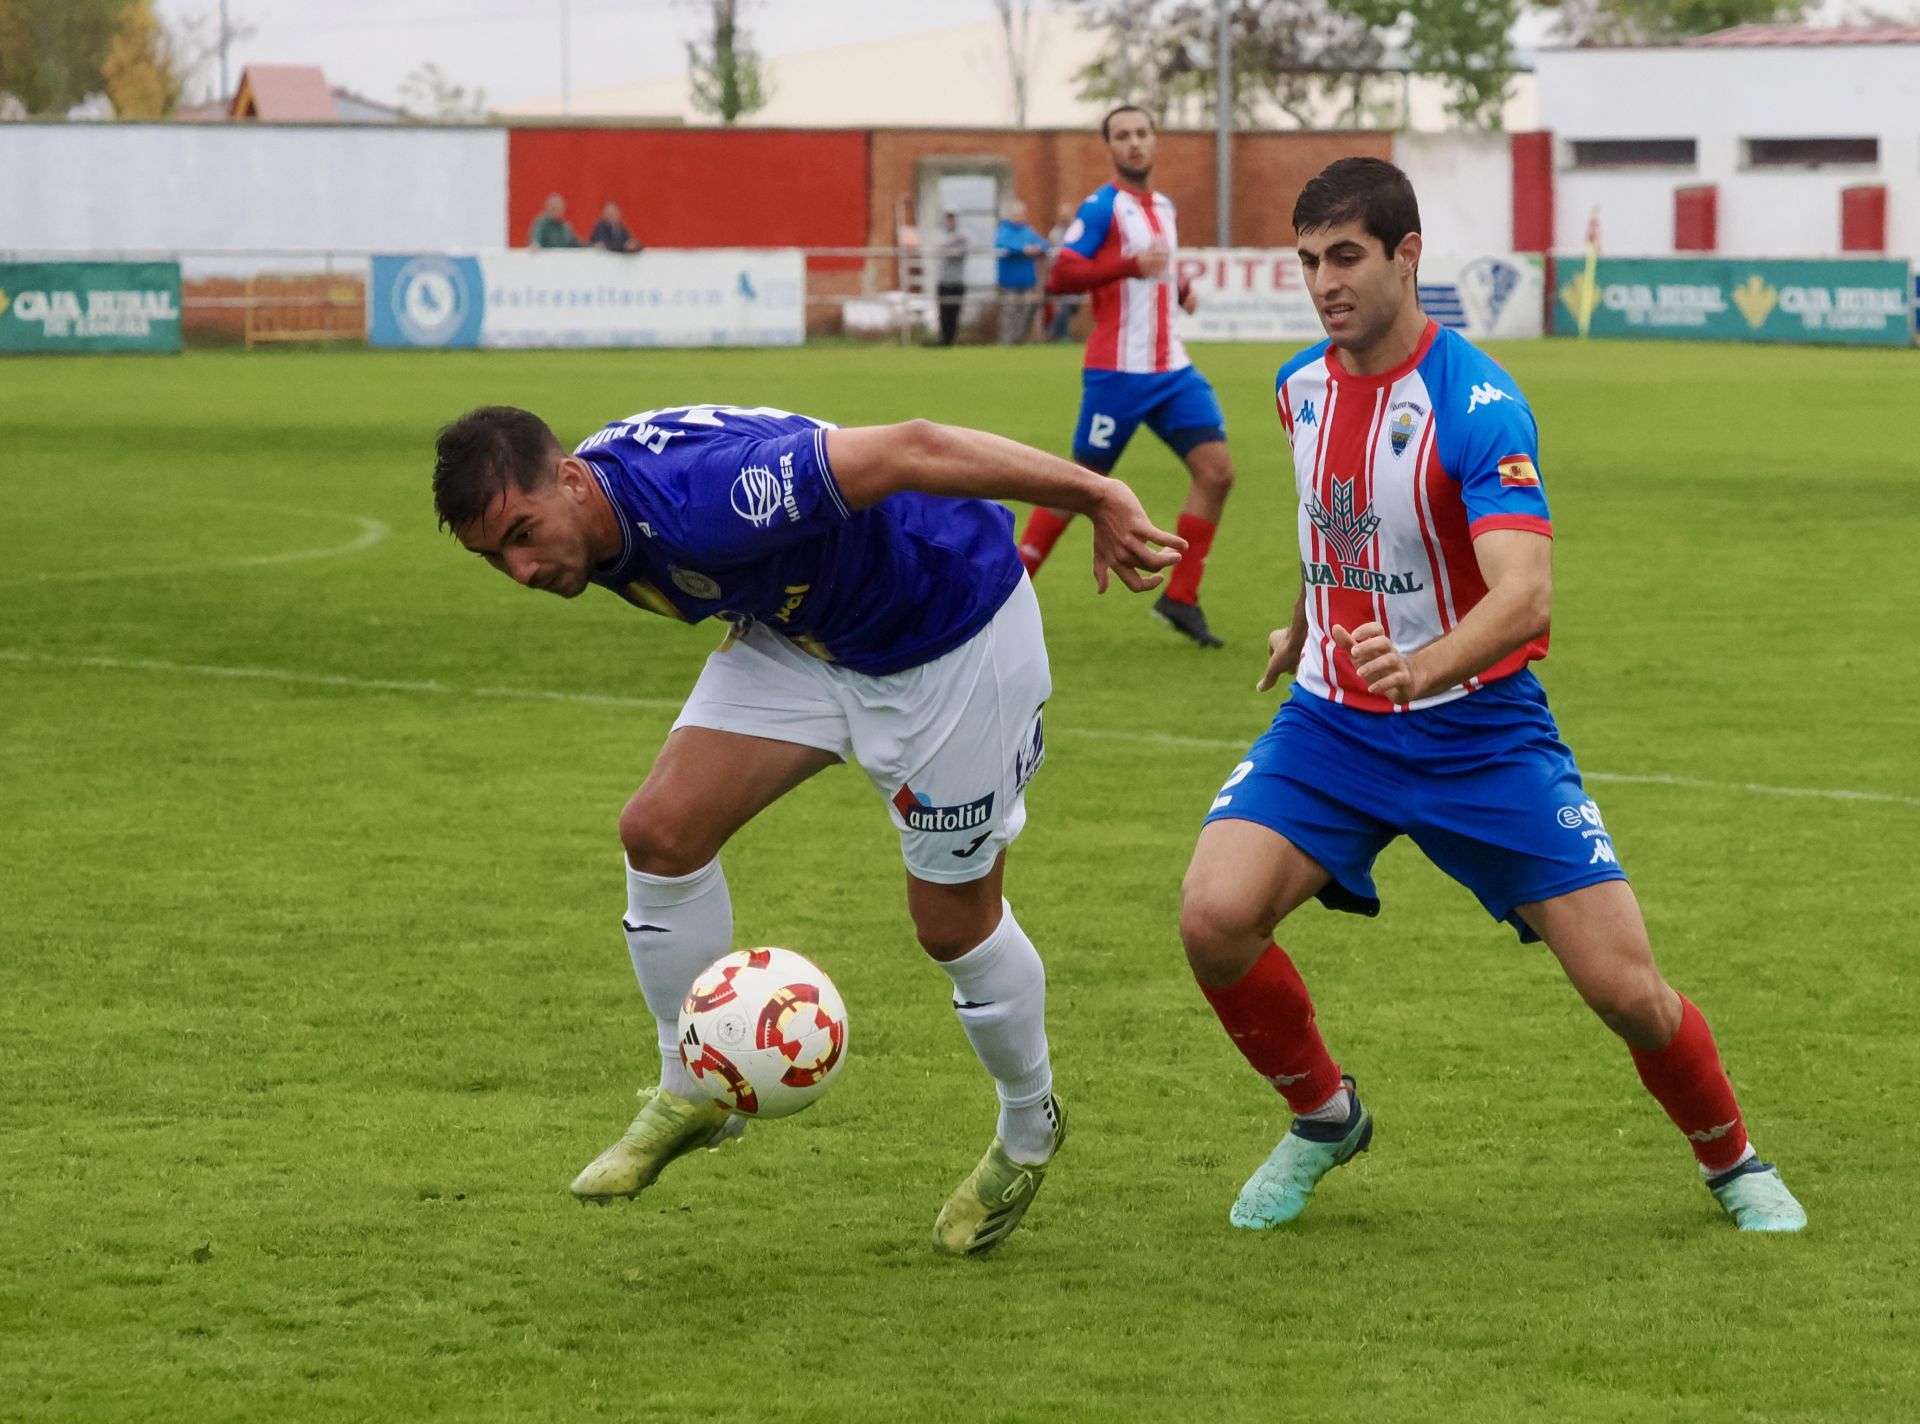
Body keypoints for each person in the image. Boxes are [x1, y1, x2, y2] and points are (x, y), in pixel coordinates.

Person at [1178, 156, 1807, 1235]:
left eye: (1346, 257)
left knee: (1625, 989)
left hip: (1480, 735)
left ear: (1406, 254)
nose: (1324, 282)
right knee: (1213, 917)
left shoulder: (1478, 406)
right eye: (1308, 261)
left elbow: (1524, 595)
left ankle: (1734, 1159)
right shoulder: (1300, 387)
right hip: (1333, 723)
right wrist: (1303, 622)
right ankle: (1326, 1115)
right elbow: (1336, 525)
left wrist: (1424, 668)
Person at [431, 402, 1182, 1256]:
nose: (521, 569)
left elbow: (915, 446)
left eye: (523, 534)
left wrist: (1095, 494)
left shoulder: (710, 499)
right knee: (660, 830)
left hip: (948, 633)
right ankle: (694, 1092)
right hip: (807, 637)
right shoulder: (592, 518)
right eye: (493, 556)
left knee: (952, 926)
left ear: (569, 479)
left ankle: (1029, 1126)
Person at [1020, 104, 1236, 650]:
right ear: (1110, 147)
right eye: (1123, 136)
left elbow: (1154, 268)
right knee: (1077, 489)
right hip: (1117, 375)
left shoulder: (1162, 205)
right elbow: (1063, 272)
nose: (1135, 143)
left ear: (1154, 140)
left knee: (1217, 473)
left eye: (1142, 133)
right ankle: (1004, 592)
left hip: (1172, 369)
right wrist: (1128, 267)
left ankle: (1180, 598)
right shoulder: (1102, 207)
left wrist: (1178, 286)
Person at [994, 199, 1048, 345]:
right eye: (1018, 215)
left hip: (1027, 279)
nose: (1021, 217)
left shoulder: (1027, 231)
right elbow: (1002, 244)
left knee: (1026, 310)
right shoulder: (1004, 230)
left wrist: (1037, 248)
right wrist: (1022, 249)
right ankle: (1006, 341)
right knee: (1009, 311)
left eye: (1023, 214)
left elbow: (1043, 243)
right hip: (1009, 280)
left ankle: (1019, 339)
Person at [1043, 201, 1079, 344]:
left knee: (1071, 307)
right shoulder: (1055, 233)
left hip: (1075, 275)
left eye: (1067, 215)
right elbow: (1052, 254)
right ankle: (1060, 336)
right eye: (1062, 215)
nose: (1065, 218)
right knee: (1062, 307)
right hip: (1059, 276)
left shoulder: (1077, 232)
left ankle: (1060, 334)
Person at [935, 212, 968, 347]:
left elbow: (959, 253)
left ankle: (951, 340)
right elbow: (939, 249)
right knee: (943, 313)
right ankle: (943, 340)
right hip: (943, 281)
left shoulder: (963, 235)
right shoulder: (940, 234)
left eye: (953, 218)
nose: (950, 221)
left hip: (957, 282)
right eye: (948, 218)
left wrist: (948, 249)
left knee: (954, 313)